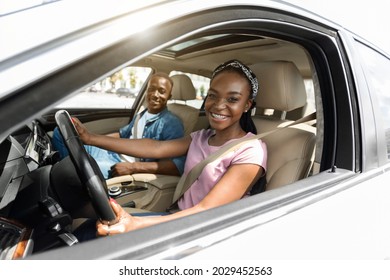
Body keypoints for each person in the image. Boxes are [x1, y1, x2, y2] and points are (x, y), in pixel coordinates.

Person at [73, 59, 267, 238]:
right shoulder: (201, 136)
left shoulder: (251, 150)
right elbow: (155, 148)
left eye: (232, 99)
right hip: (178, 218)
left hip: (204, 232)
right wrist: (90, 138)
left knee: (97, 237)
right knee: (90, 229)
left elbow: (206, 210)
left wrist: (135, 224)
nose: (218, 105)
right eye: (213, 96)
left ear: (247, 105)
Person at [52, 72, 186, 178]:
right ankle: (70, 174)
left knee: (75, 170)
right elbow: (122, 134)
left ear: (169, 96)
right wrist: (96, 142)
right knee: (61, 132)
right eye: (151, 89)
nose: (155, 95)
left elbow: (177, 165)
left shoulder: (172, 123)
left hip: (121, 164)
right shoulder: (142, 114)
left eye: (161, 91)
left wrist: (133, 167)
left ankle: (70, 176)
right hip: (111, 153)